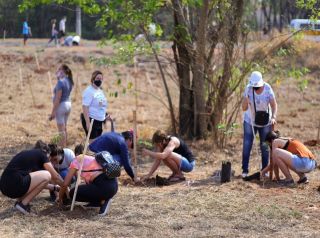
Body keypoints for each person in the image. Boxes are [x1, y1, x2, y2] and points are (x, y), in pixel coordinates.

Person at [0, 147, 64, 214]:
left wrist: (54, 188)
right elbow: (55, 177)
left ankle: (21, 201)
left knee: (44, 177)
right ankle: (23, 205)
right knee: (47, 175)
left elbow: (35, 183)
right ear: (49, 156)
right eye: (53, 160)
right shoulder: (42, 155)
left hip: (5, 187)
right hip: (15, 184)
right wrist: (65, 186)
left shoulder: (29, 156)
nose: (53, 164)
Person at [58, 151, 118, 216]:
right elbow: (81, 181)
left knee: (73, 193)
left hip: (104, 187)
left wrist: (60, 199)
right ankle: (96, 203)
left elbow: (65, 184)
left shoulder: (75, 161)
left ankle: (103, 201)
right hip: (114, 186)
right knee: (83, 189)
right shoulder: (89, 159)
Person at [241, 71, 277, 178]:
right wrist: (245, 100)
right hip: (250, 121)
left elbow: (274, 105)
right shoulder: (248, 88)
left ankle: (264, 171)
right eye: (254, 86)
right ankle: (245, 170)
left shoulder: (268, 88)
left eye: (257, 86)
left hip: (265, 122)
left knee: (265, 146)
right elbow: (244, 108)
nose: (256, 88)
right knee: (247, 144)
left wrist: (274, 117)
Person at [49, 64, 74, 147]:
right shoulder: (69, 80)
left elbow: (58, 98)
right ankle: (65, 145)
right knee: (64, 128)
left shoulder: (61, 82)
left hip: (61, 106)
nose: (57, 71)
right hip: (68, 105)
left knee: (61, 131)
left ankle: (61, 148)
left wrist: (53, 112)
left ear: (63, 71)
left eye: (59, 69)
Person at [81, 70, 108, 142]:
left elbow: (100, 105)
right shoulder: (89, 91)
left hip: (99, 121)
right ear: (93, 79)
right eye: (98, 78)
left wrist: (105, 115)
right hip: (91, 120)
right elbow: (85, 107)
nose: (99, 80)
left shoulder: (100, 91)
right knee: (93, 143)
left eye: (101, 79)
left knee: (97, 143)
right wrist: (87, 122)